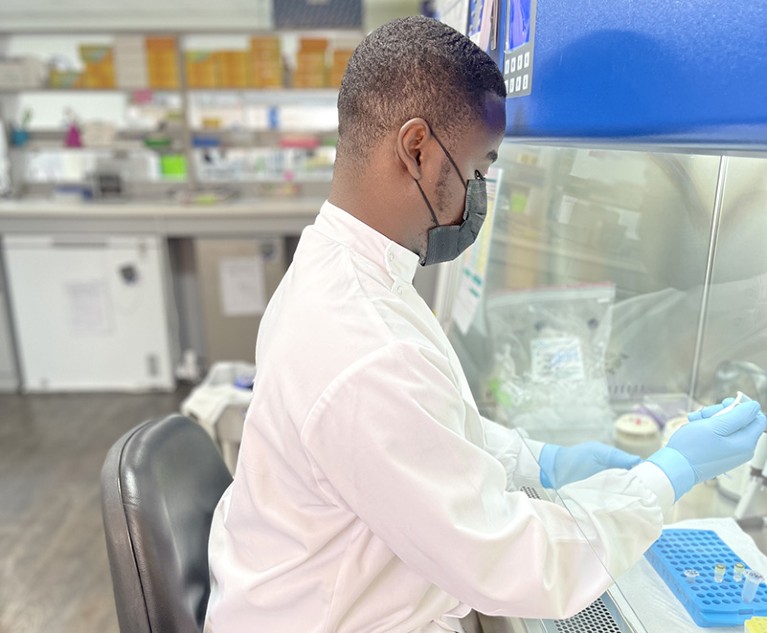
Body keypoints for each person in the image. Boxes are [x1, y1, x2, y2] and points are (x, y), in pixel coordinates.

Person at [204, 16, 766, 633]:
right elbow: (515, 564)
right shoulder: (364, 345)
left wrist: (544, 460)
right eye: (477, 170)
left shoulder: (341, 268)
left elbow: (416, 433)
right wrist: (669, 475)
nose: (477, 193)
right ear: (416, 150)